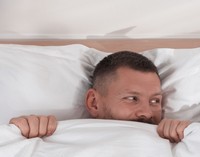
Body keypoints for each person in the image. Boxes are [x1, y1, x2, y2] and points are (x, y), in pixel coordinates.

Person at [9, 51, 190, 143]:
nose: (147, 113)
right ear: (94, 103)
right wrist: (17, 134)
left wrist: (192, 135)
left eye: (154, 101)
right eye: (132, 98)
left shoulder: (178, 140)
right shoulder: (48, 137)